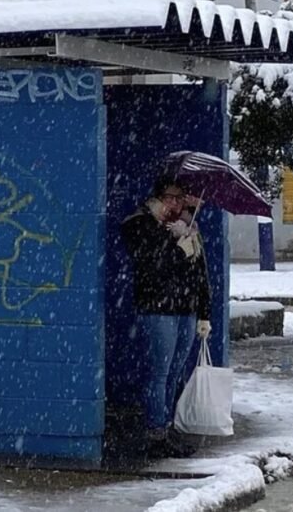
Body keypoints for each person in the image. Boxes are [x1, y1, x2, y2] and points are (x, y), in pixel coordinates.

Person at [121, 176, 212, 457]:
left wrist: (204, 313)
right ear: (157, 197)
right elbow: (153, 264)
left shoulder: (188, 228)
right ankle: (155, 432)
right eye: (169, 197)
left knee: (175, 371)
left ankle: (167, 426)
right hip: (157, 308)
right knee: (158, 372)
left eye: (180, 198)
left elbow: (200, 274)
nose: (175, 203)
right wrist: (176, 246)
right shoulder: (140, 223)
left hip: (185, 309)